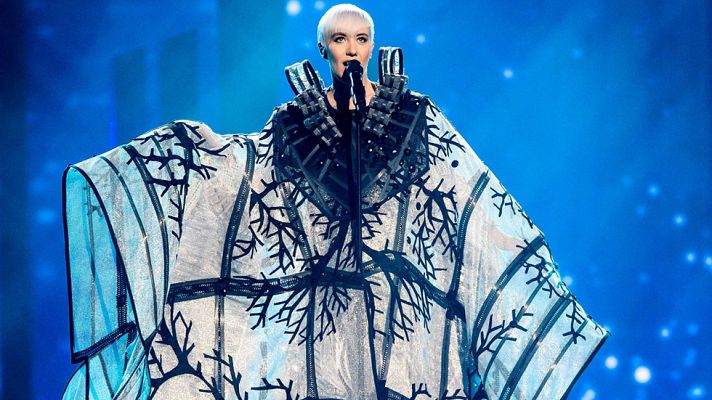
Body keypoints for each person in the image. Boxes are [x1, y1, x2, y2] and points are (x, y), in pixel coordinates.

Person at [62, 4, 608, 399]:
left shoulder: (414, 114)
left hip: (401, 305)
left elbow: (461, 185)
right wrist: (182, 162)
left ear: (372, 46)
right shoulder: (292, 122)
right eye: (341, 38)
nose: (352, 48)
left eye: (361, 38)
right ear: (323, 48)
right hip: (316, 306)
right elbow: (250, 177)